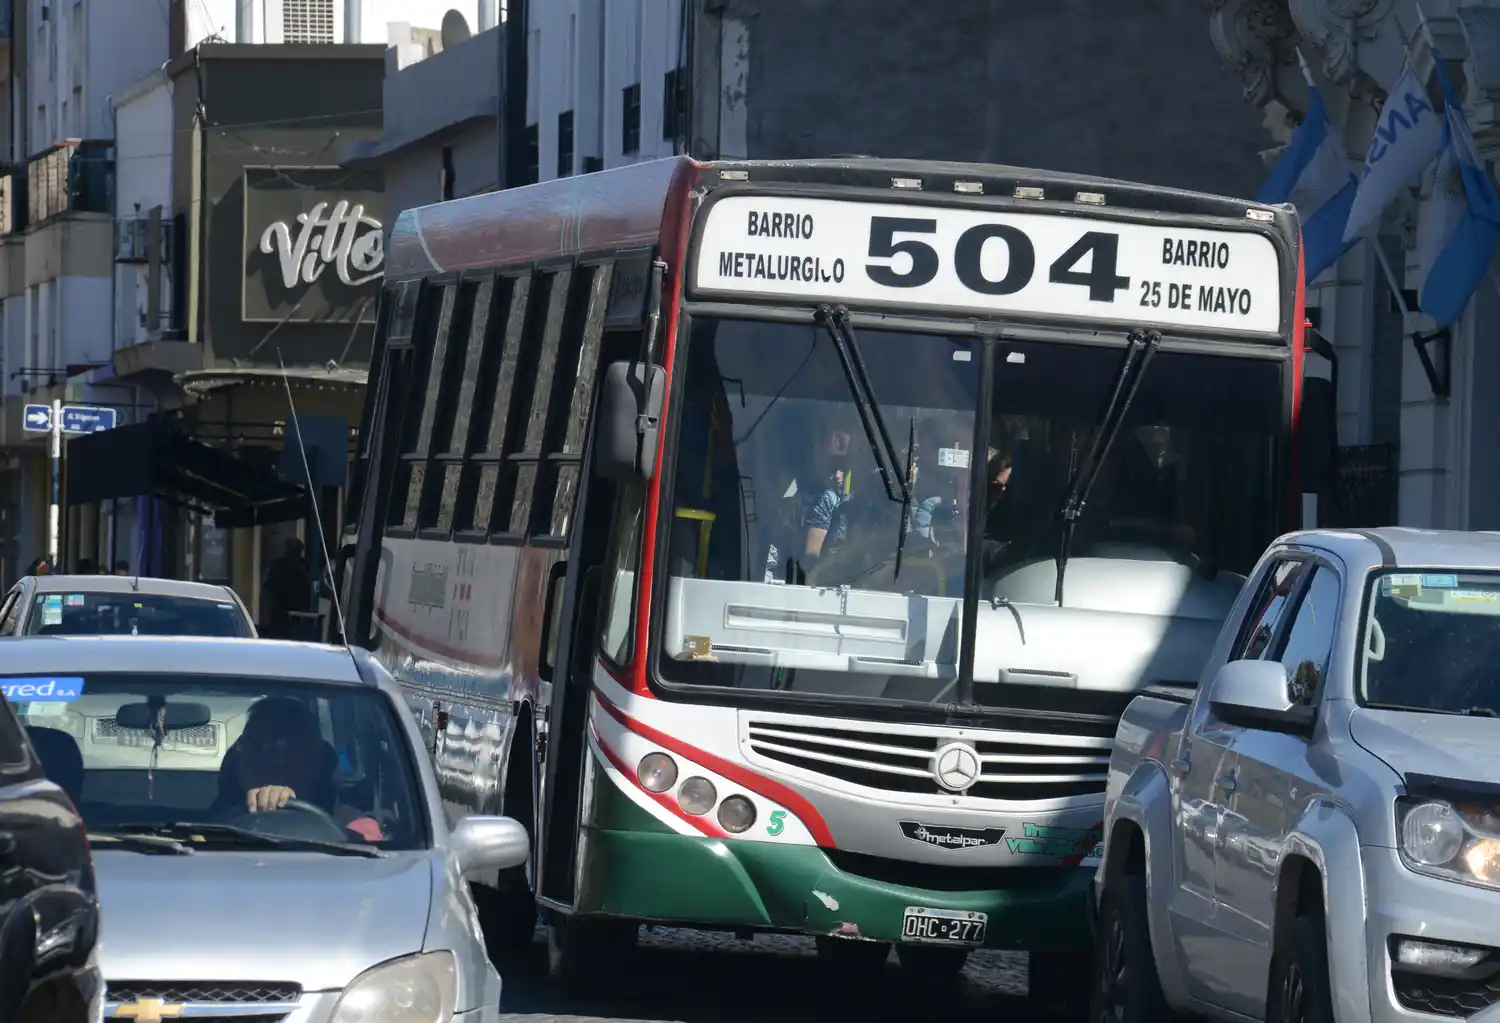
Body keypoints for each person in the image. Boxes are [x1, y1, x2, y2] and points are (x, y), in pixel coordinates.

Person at [217, 696, 384, 842]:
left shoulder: (352, 826)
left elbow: (370, 859)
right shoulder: (213, 823)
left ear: (317, 761)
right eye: (251, 746)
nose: (253, 758)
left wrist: (284, 806)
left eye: (268, 747)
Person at [260, 537, 312, 639]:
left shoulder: (305, 566)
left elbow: (310, 586)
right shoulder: (277, 566)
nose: (295, 554)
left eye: (297, 551)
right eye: (293, 550)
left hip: (300, 614)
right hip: (279, 613)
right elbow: (267, 589)